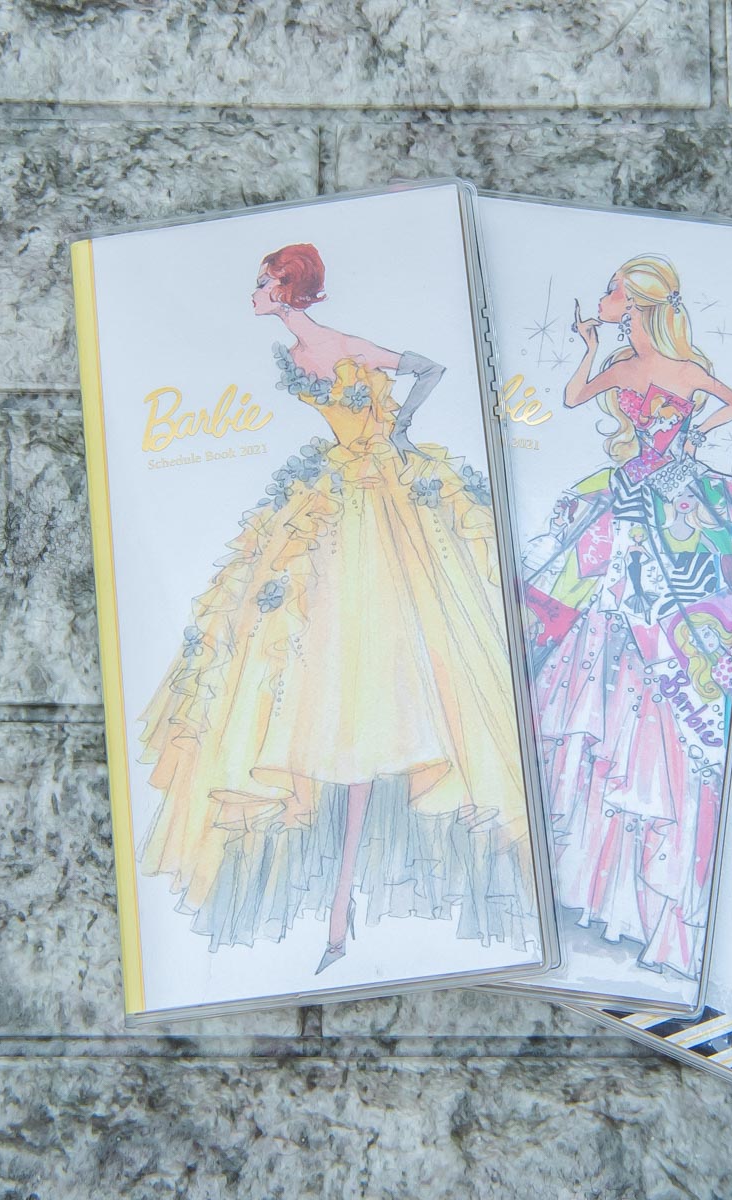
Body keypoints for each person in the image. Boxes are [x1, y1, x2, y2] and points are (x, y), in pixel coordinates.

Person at [137, 242, 537, 974]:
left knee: (401, 651)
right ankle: (334, 905)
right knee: (306, 656)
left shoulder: (341, 343)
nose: (254, 291)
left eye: (263, 281)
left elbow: (429, 367)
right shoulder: (295, 353)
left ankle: (350, 905)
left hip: (383, 495)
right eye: (259, 280)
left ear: (289, 288)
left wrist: (401, 427)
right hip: (336, 496)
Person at [523, 253, 732, 980]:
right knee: (593, 631)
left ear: (640, 300)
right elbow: (574, 396)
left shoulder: (677, 369)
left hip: (668, 506)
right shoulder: (628, 366)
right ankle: (584, 866)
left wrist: (690, 439)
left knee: (658, 650)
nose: (605, 298)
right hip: (627, 499)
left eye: (614, 292)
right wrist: (591, 346)